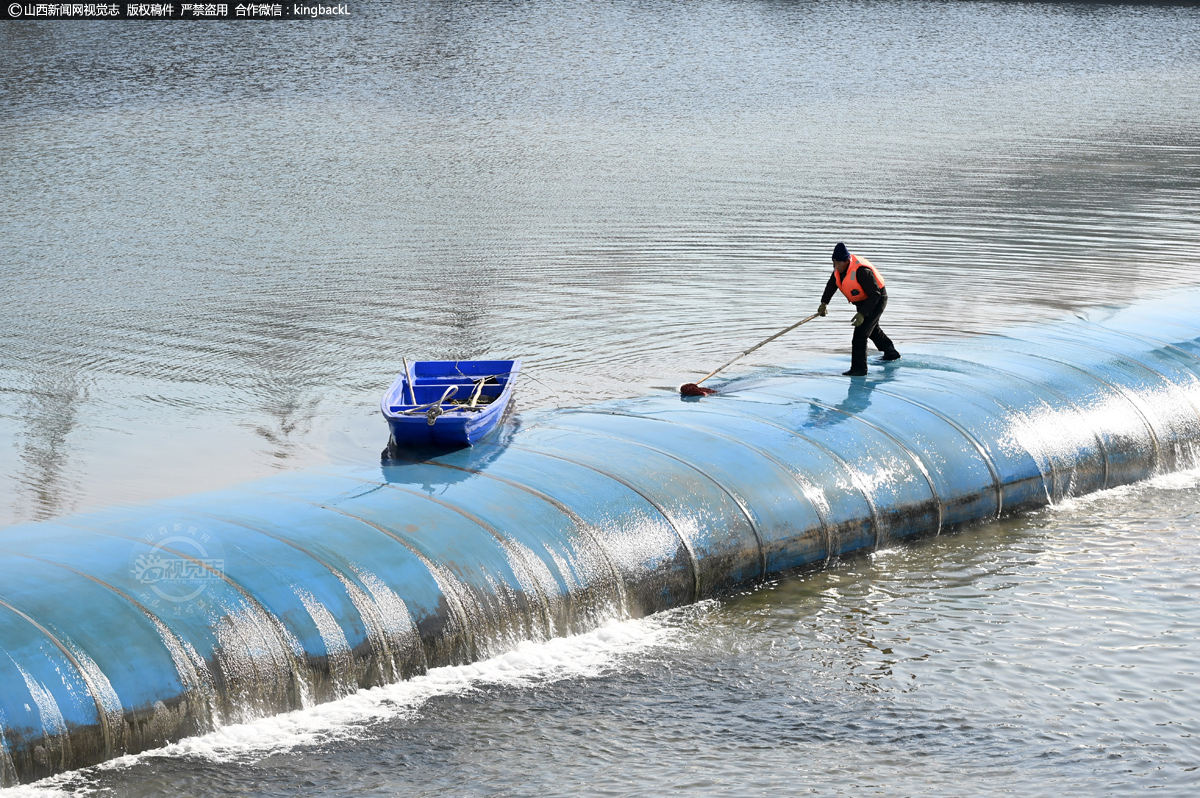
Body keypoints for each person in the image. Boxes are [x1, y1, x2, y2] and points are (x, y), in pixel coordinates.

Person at [817, 242, 900, 376]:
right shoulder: (838, 270)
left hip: (876, 300)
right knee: (872, 330)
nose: (836, 266)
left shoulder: (861, 271)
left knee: (860, 335)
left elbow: (875, 295)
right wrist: (824, 303)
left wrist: (862, 314)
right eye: (834, 263)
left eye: (838, 263)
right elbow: (831, 286)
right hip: (863, 301)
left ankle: (859, 369)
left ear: (846, 261)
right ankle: (890, 352)